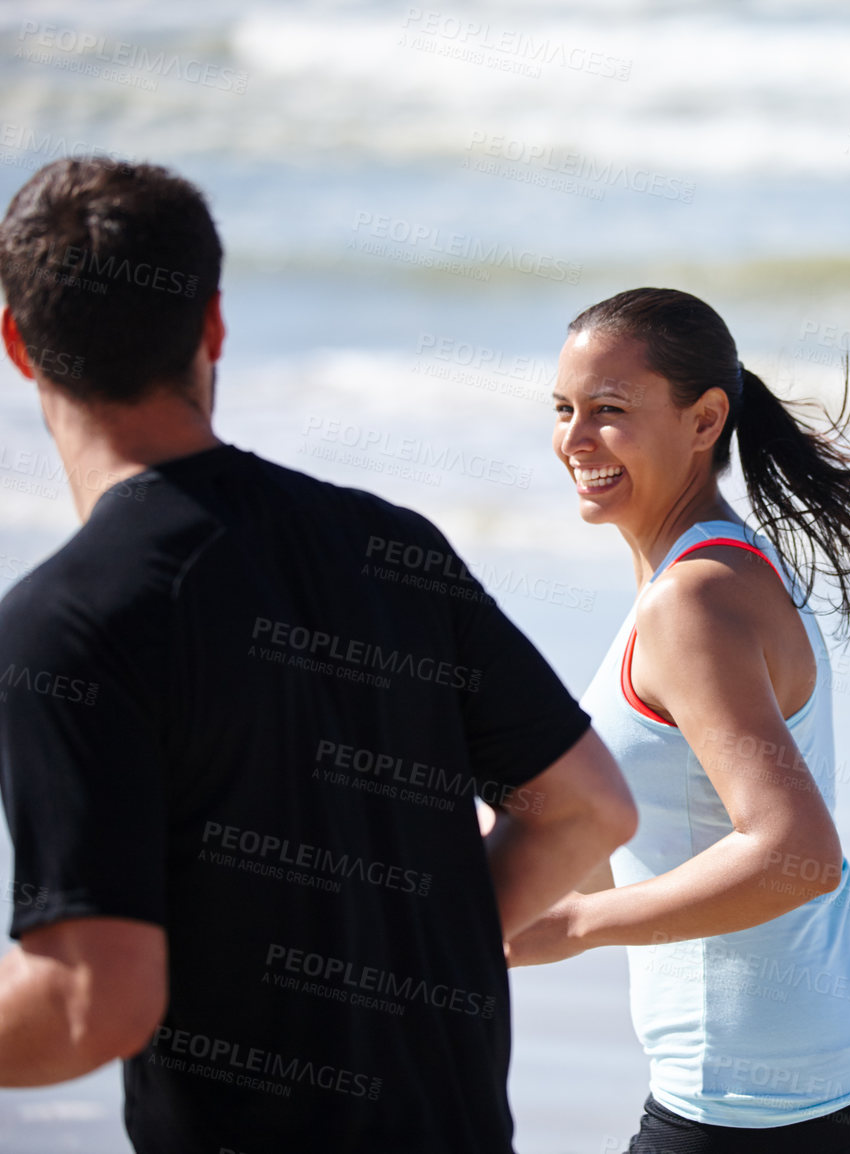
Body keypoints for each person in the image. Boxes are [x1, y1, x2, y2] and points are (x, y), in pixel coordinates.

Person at [0, 157, 637, 1154]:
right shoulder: (390, 542)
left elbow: (93, 1003)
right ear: (212, 325)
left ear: (16, 344)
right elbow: (590, 807)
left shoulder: (64, 623)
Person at [507, 288, 850, 1152]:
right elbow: (657, 823)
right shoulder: (717, 565)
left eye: (609, 412)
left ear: (705, 422)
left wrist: (576, 928)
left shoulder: (693, 599)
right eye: (563, 410)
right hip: (848, 1070)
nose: (575, 440)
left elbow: (793, 854)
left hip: (760, 1110)